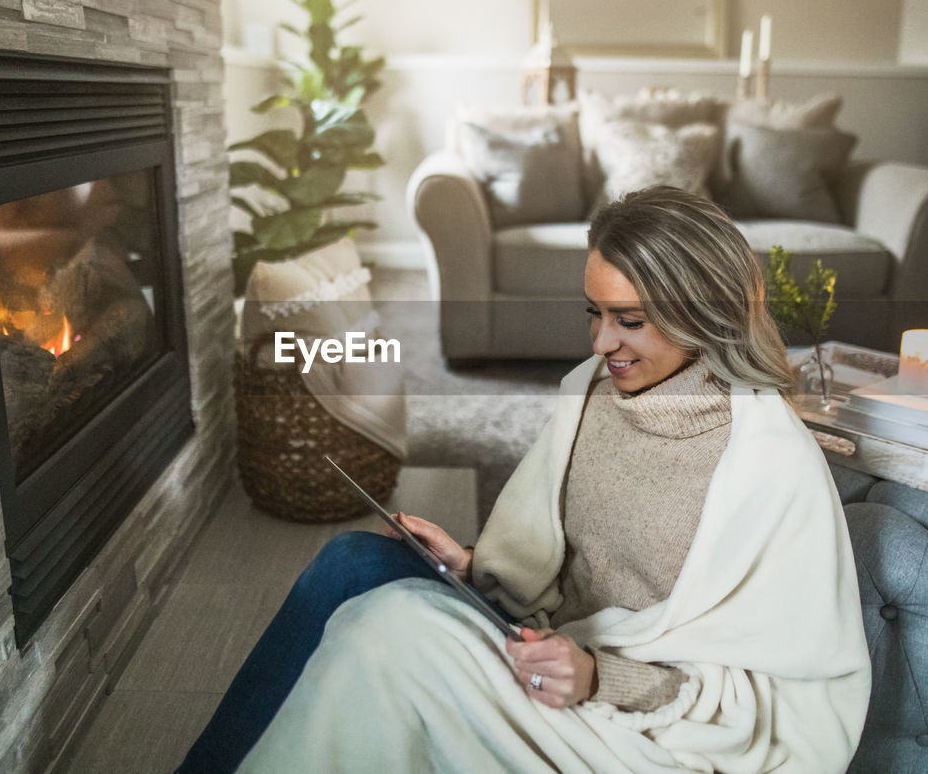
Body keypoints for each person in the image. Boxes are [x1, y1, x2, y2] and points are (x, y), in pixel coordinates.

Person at [178, 186, 871, 773]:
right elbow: (562, 566)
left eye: (630, 321)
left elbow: (768, 701)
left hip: (635, 719)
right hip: (546, 644)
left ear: (704, 311)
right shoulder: (594, 391)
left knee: (387, 630)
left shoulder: (769, 464)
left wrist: (601, 676)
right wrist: (474, 566)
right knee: (351, 560)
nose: (601, 343)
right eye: (593, 313)